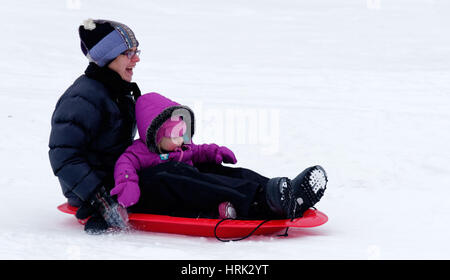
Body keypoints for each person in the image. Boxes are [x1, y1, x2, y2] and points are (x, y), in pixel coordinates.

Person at [110, 92, 328, 221]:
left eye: (183, 132)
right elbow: (125, 164)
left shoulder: (179, 148)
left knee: (219, 170)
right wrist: (127, 184)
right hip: (159, 194)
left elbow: (197, 151)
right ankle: (260, 202)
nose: (181, 140)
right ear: (154, 134)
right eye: (175, 134)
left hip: (188, 186)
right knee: (182, 173)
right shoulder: (139, 152)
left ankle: (280, 190)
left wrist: (214, 151)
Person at [48, 19, 142, 233]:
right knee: (171, 183)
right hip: (92, 190)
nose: (136, 59)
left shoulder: (117, 90)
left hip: (120, 177)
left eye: (137, 52)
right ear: (108, 57)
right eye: (128, 53)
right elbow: (64, 156)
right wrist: (100, 198)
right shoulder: (82, 98)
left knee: (176, 169)